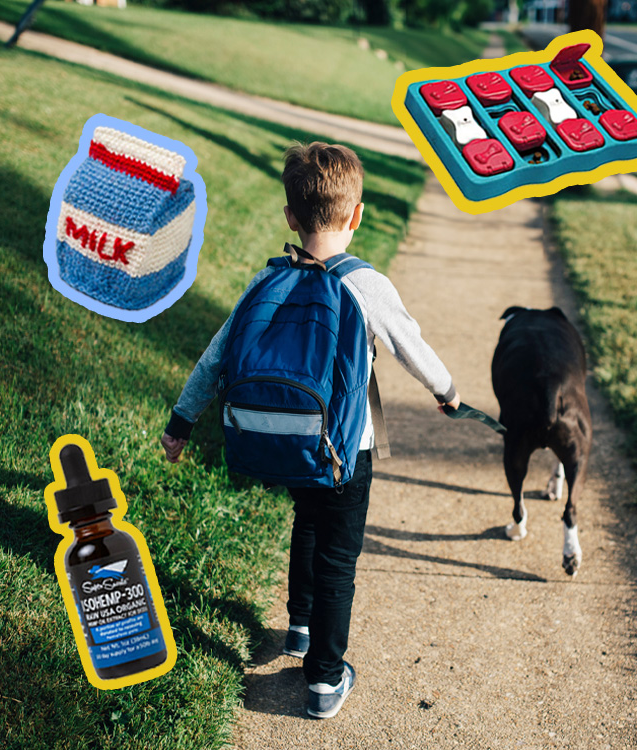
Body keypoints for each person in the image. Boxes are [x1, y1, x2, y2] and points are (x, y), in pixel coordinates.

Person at [160, 141, 460, 719]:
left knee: (306, 522)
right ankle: (324, 679)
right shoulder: (366, 284)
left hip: (293, 444)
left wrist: (181, 422)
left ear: (290, 217)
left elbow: (215, 358)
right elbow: (411, 347)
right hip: (347, 452)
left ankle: (299, 626)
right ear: (357, 216)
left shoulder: (265, 281)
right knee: (338, 560)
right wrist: (446, 392)